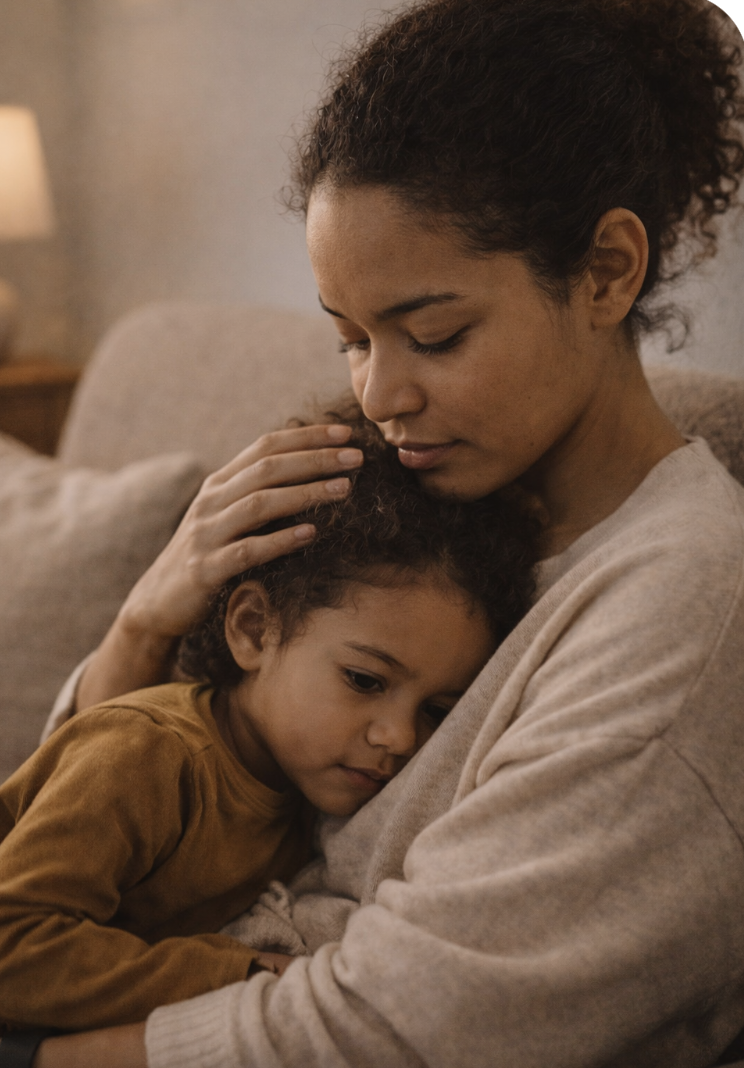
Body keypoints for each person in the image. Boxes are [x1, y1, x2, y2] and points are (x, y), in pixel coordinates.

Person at [25, 0, 744, 1065]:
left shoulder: (683, 609)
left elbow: (406, 1029)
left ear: (605, 273)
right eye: (351, 338)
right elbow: (65, 839)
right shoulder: (414, 496)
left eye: (434, 334)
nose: (382, 393)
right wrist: (140, 628)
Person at [0, 410, 538, 1032]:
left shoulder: (308, 794)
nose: (400, 737)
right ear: (254, 629)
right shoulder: (145, 753)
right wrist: (239, 973)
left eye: (436, 710)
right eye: (364, 680)